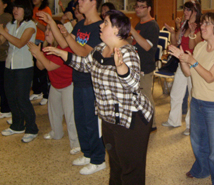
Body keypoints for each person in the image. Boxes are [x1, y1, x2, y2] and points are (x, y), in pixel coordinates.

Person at [43, 10, 154, 184]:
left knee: (131, 167)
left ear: (117, 29)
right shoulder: (101, 48)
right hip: (109, 116)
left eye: (106, 23)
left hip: (132, 118)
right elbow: (84, 64)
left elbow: (133, 84)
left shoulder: (128, 52)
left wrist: (121, 68)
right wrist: (63, 54)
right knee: (116, 163)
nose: (101, 26)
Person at [37, 0, 105, 175]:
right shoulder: (81, 24)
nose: (79, 2)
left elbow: (83, 51)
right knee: (80, 119)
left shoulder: (99, 27)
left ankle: (99, 159)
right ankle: (88, 153)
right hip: (78, 78)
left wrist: (66, 45)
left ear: (94, 3)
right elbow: (66, 44)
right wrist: (51, 23)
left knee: (92, 122)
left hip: (92, 81)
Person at [169, 12, 214, 185]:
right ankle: (202, 169)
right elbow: (188, 72)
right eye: (202, 23)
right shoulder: (199, 47)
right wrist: (183, 59)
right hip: (197, 100)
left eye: (206, 24)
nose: (201, 27)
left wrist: (193, 61)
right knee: (197, 142)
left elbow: (210, 76)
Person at [27, 21, 80, 155]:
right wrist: (38, 55)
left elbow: (50, 66)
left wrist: (39, 55)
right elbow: (41, 66)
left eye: (50, 30)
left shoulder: (64, 49)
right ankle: (56, 133)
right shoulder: (48, 47)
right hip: (56, 84)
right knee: (53, 111)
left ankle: (76, 143)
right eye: (46, 30)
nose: (46, 32)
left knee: (70, 116)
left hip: (69, 85)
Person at [0, 0, 38, 143]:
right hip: (10, 65)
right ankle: (17, 125)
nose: (15, 11)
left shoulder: (30, 25)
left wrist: (3, 32)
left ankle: (32, 128)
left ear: (26, 10)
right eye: (14, 8)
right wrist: (1, 34)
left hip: (24, 67)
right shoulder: (10, 24)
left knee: (22, 99)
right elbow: (2, 41)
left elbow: (20, 43)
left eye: (19, 8)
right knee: (11, 96)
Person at [162, 1, 202, 135]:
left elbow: (195, 47)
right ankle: (174, 120)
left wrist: (192, 32)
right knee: (175, 93)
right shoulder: (184, 25)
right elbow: (176, 43)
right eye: (184, 9)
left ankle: (191, 125)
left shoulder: (200, 27)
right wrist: (173, 32)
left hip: (192, 64)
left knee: (192, 95)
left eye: (188, 10)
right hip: (181, 62)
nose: (185, 12)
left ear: (195, 12)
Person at [131, 0, 159, 131]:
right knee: (139, 97)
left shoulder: (152, 25)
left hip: (146, 67)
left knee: (146, 97)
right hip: (136, 66)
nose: (138, 9)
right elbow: (136, 42)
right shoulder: (138, 24)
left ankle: (151, 124)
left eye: (141, 6)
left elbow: (147, 46)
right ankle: (143, 121)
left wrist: (132, 31)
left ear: (149, 8)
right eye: (136, 6)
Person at [30, 0, 52, 105]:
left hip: (42, 40)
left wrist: (35, 21)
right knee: (35, 69)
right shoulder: (32, 9)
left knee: (42, 69)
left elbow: (46, 28)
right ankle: (37, 91)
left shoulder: (45, 10)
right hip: (32, 40)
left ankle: (46, 93)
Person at [0, 0, 13, 120]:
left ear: (5, 5)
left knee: (3, 85)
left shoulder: (6, 17)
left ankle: (6, 109)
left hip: (3, 56)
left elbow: (2, 40)